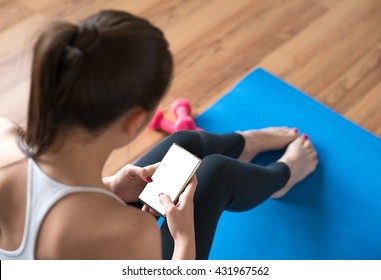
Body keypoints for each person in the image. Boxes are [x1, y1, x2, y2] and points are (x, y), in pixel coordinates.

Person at [0, 10, 318, 260]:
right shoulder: (128, 232)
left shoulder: (4, 135)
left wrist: (110, 186)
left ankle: (244, 144)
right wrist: (184, 239)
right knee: (215, 174)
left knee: (186, 146)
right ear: (135, 122)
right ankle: (284, 177)